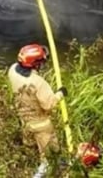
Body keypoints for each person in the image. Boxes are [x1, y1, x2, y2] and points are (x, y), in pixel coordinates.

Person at [8, 43, 67, 178]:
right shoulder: (38, 82)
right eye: (40, 62)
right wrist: (60, 93)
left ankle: (28, 159)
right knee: (50, 155)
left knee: (29, 144)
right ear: (34, 64)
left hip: (24, 118)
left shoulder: (12, 70)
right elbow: (49, 104)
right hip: (41, 124)